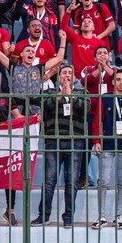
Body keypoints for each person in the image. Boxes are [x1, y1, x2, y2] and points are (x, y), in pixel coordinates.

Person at [31, 63, 89, 229]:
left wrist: (70, 96)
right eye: (64, 73)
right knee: (49, 180)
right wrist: (59, 96)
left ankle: (68, 217)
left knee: (72, 181)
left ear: (74, 77)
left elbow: (86, 109)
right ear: (58, 77)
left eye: (70, 73)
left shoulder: (81, 92)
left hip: (74, 142)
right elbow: (43, 107)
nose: (67, 76)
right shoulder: (49, 92)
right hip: (53, 142)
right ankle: (44, 215)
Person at [90, 69, 122, 230]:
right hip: (107, 145)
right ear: (113, 82)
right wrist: (97, 141)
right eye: (118, 79)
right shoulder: (105, 99)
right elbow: (97, 121)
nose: (120, 82)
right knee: (103, 181)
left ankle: (118, 215)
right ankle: (102, 215)